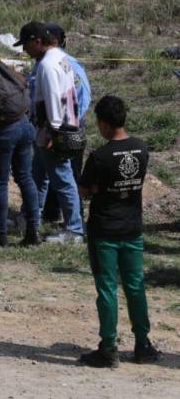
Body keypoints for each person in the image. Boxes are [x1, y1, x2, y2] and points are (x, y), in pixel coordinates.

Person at [78, 95, 161, 368]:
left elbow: (85, 191)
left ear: (103, 124)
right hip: (133, 229)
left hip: (104, 232)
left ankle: (109, 347)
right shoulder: (141, 149)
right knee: (136, 287)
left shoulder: (99, 157)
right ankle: (143, 345)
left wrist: (99, 189)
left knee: (107, 289)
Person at [15, 22, 84, 244]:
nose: (24, 50)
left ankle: (74, 230)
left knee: (62, 180)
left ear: (37, 41)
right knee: (38, 176)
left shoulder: (47, 65)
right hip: (59, 127)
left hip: (53, 131)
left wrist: (54, 133)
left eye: (25, 44)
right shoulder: (60, 58)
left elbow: (53, 101)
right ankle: (31, 217)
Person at [0, 60, 40, 247]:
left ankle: (0, 234)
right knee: (26, 178)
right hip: (24, 124)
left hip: (3, 133)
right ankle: (33, 231)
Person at [37, 23, 92, 223]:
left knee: (65, 174)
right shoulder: (64, 62)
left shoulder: (56, 64)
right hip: (66, 123)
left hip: (62, 125)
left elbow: (78, 95)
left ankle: (73, 221)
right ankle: (50, 214)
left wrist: (64, 124)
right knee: (50, 173)